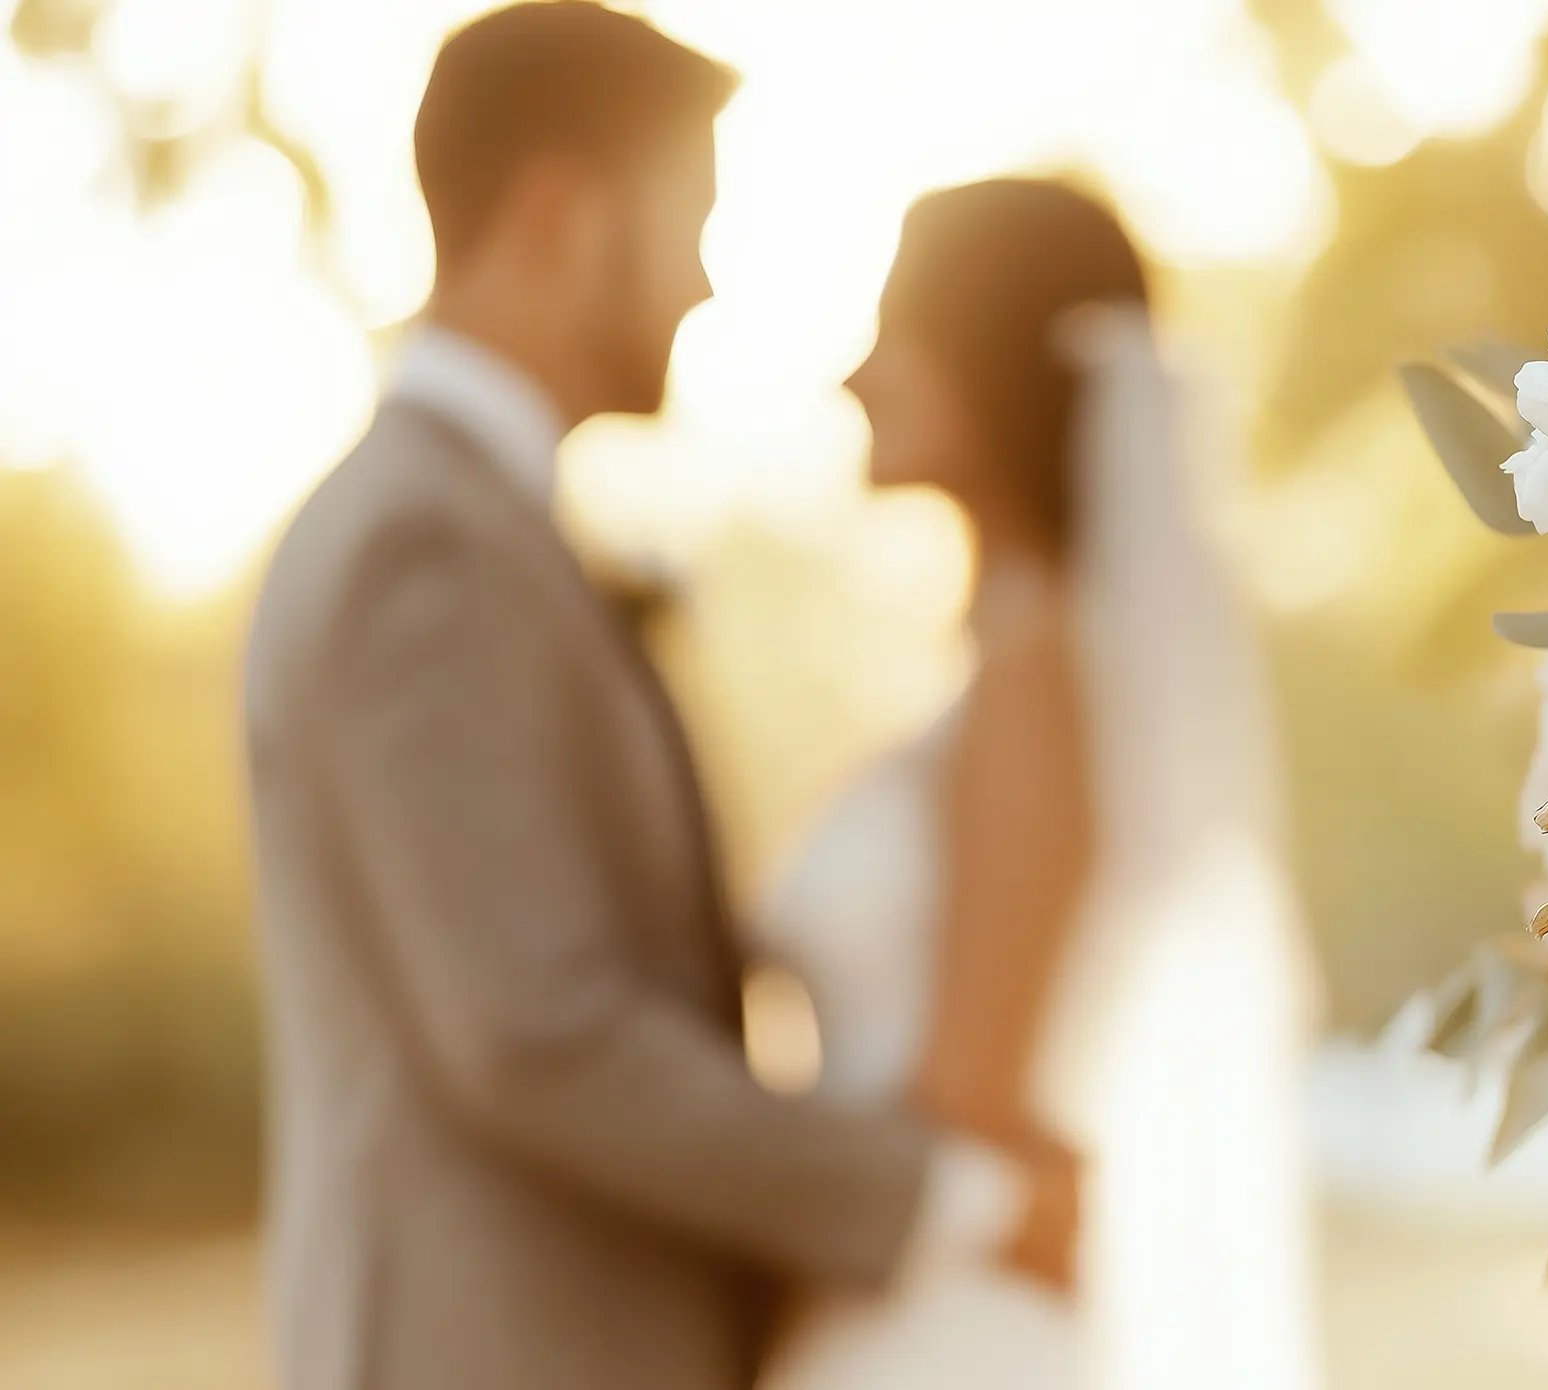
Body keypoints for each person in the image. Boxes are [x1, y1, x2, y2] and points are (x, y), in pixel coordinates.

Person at [241, 8, 1067, 1388]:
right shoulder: (422, 544)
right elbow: (535, 1032)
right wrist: (952, 1198)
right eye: (691, 223)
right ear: (560, 218)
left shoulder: (479, 529)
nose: (703, 284)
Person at [754, 179, 1322, 1389]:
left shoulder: (1034, 673)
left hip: (938, 1325)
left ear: (986, 358)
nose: (853, 377)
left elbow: (966, 1096)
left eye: (893, 333)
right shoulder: (1019, 672)